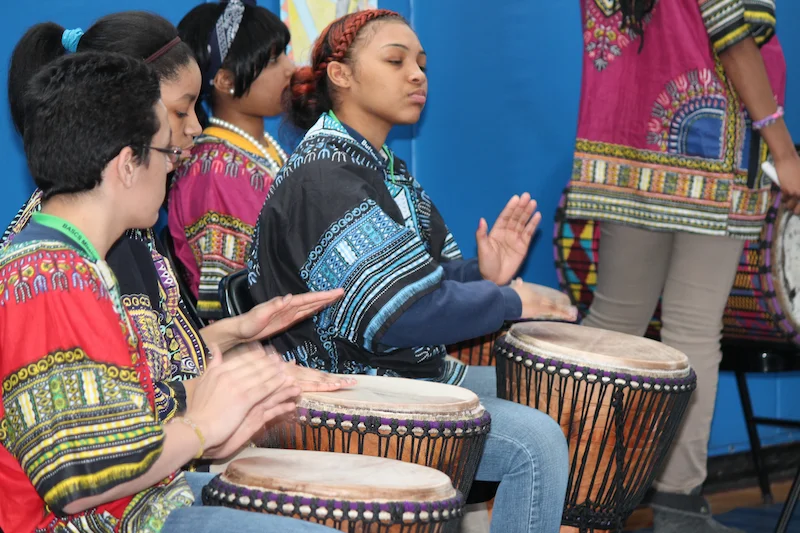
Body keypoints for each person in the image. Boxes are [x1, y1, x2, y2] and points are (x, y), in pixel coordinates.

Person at [248, 10, 577, 532]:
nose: (417, 74)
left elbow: (422, 281)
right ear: (341, 75)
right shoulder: (324, 176)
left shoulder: (378, 166)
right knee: (536, 442)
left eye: (422, 63)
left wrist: (480, 273)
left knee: (551, 397)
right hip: (344, 391)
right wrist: (513, 300)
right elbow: (400, 313)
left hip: (400, 373)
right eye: (396, 60)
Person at [0, 50, 338, 533]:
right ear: (127, 165)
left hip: (137, 502)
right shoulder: (50, 274)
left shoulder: (75, 260)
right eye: (165, 151)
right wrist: (200, 427)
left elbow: (121, 429)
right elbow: (79, 480)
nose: (174, 165)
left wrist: (230, 410)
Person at [565, 1, 797, 532]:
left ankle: (576, 494)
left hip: (627, 146)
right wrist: (783, 150)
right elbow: (734, 37)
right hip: (710, 146)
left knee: (613, 330)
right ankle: (678, 505)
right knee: (692, 332)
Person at [168, 0, 294, 321]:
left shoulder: (262, 150)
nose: (291, 68)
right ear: (226, 81)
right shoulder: (216, 171)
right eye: (274, 60)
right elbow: (228, 303)